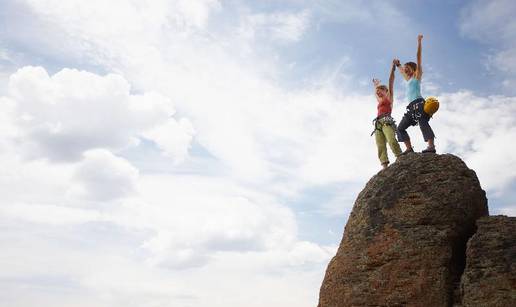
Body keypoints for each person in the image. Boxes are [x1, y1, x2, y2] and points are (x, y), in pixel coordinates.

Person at [395, 34, 436, 154]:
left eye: (407, 68)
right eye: (405, 68)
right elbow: (402, 71)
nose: (405, 69)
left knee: (423, 123)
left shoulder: (417, 77)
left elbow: (418, 57)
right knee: (400, 128)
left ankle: (431, 146)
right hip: (411, 108)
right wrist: (398, 65)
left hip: (419, 104)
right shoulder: (408, 80)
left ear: (413, 69)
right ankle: (409, 149)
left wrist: (419, 42)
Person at [371, 59, 402, 169]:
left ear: (386, 91)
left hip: (386, 121)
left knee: (391, 140)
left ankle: (400, 157)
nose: (378, 93)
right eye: (377, 92)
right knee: (380, 145)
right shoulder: (379, 101)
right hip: (378, 123)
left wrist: (392, 68)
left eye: (380, 91)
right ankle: (384, 165)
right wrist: (376, 86)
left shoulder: (389, 97)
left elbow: (391, 81)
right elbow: (376, 92)